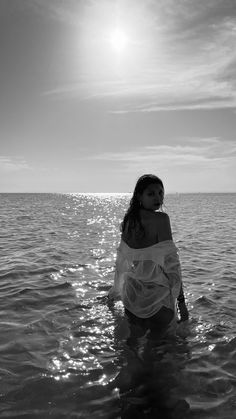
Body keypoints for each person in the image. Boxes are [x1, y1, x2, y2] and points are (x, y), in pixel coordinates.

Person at [108, 174, 189, 332]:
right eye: (151, 194)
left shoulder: (128, 221)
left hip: (132, 296)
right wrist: (181, 303)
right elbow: (173, 265)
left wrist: (115, 292)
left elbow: (121, 263)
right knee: (158, 349)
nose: (158, 197)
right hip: (156, 298)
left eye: (160, 192)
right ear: (139, 196)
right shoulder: (161, 219)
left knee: (131, 345)